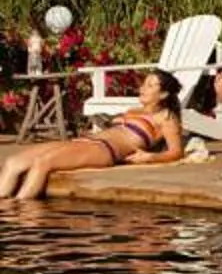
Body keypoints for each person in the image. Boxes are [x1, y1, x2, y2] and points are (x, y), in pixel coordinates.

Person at [0, 69, 185, 202]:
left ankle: (20, 222)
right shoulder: (133, 110)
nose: (143, 88)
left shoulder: (166, 118)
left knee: (43, 163)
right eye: (144, 83)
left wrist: (151, 157)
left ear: (163, 94)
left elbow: (176, 152)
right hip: (86, 141)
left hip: (103, 150)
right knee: (13, 162)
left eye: (151, 85)